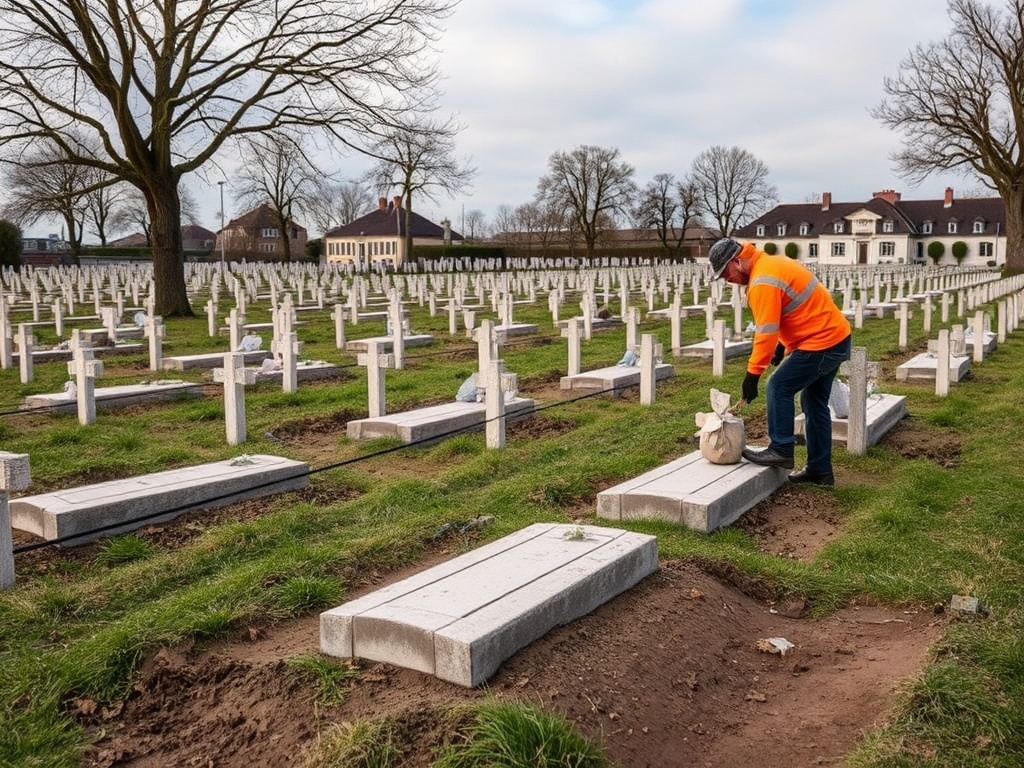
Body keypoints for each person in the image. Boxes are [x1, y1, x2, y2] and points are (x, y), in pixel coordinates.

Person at [708, 237, 851, 486]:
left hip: (821, 341)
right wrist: (782, 345)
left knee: (778, 387)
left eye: (725, 273)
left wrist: (753, 374)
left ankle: (781, 448)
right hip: (835, 338)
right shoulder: (770, 264)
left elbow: (765, 331)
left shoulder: (762, 280)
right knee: (813, 402)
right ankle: (820, 470)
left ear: (737, 261)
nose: (727, 279)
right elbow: (795, 309)